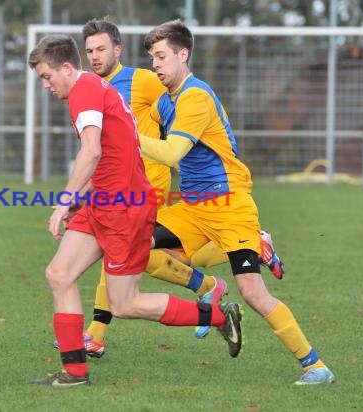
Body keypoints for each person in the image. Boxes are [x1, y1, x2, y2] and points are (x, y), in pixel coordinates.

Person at [27, 34, 243, 387]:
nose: (46, 85)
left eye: (46, 76)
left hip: (124, 210)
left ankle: (218, 315)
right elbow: (115, 155)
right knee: (59, 274)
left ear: (66, 67)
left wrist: (65, 200)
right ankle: (74, 373)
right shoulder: (94, 87)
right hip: (105, 202)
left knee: (124, 304)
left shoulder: (84, 90)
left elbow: (92, 151)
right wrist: (83, 198)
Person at [139, 20, 334, 385]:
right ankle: (208, 287)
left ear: (184, 55)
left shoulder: (196, 97)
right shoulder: (165, 102)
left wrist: (130, 138)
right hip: (192, 207)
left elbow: (171, 152)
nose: (156, 65)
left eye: (162, 56)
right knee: (138, 246)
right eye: (152, 58)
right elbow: (137, 119)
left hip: (230, 206)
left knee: (253, 293)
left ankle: (315, 366)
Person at [76, 18, 285, 356]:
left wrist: (204, 147)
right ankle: (212, 281)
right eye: (89, 51)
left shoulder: (143, 80)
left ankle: (96, 336)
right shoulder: (92, 87)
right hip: (118, 185)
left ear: (118, 49)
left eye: (101, 49)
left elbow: (179, 114)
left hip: (149, 184)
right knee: (140, 255)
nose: (95, 56)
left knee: (121, 249)